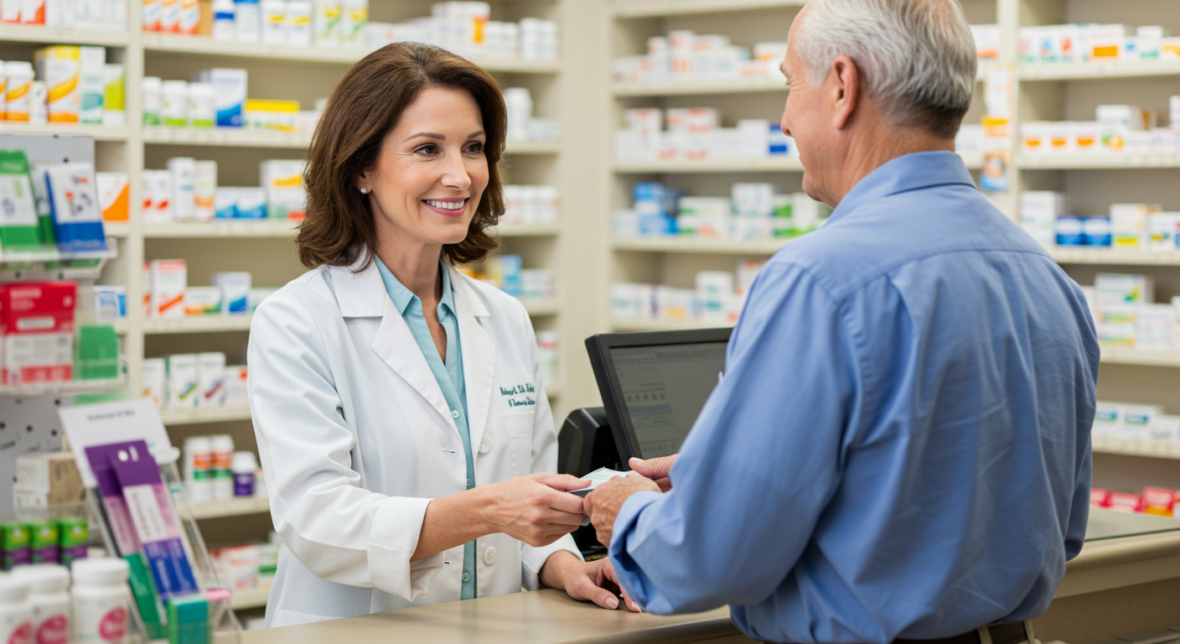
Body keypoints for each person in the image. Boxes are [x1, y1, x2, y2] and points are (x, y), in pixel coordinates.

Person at [583, 1, 1098, 643]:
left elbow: (707, 563)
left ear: (842, 87)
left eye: (790, 84)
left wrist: (627, 510)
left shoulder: (820, 279)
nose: (785, 119)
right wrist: (725, 471)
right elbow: (1055, 525)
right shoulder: (1044, 276)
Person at [248, 42, 631, 628]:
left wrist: (561, 562)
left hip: (493, 626)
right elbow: (318, 521)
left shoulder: (503, 316)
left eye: (474, 148)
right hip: (358, 632)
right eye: (428, 149)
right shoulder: (297, 321)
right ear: (361, 168)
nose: (461, 175)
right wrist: (487, 511)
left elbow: (528, 496)